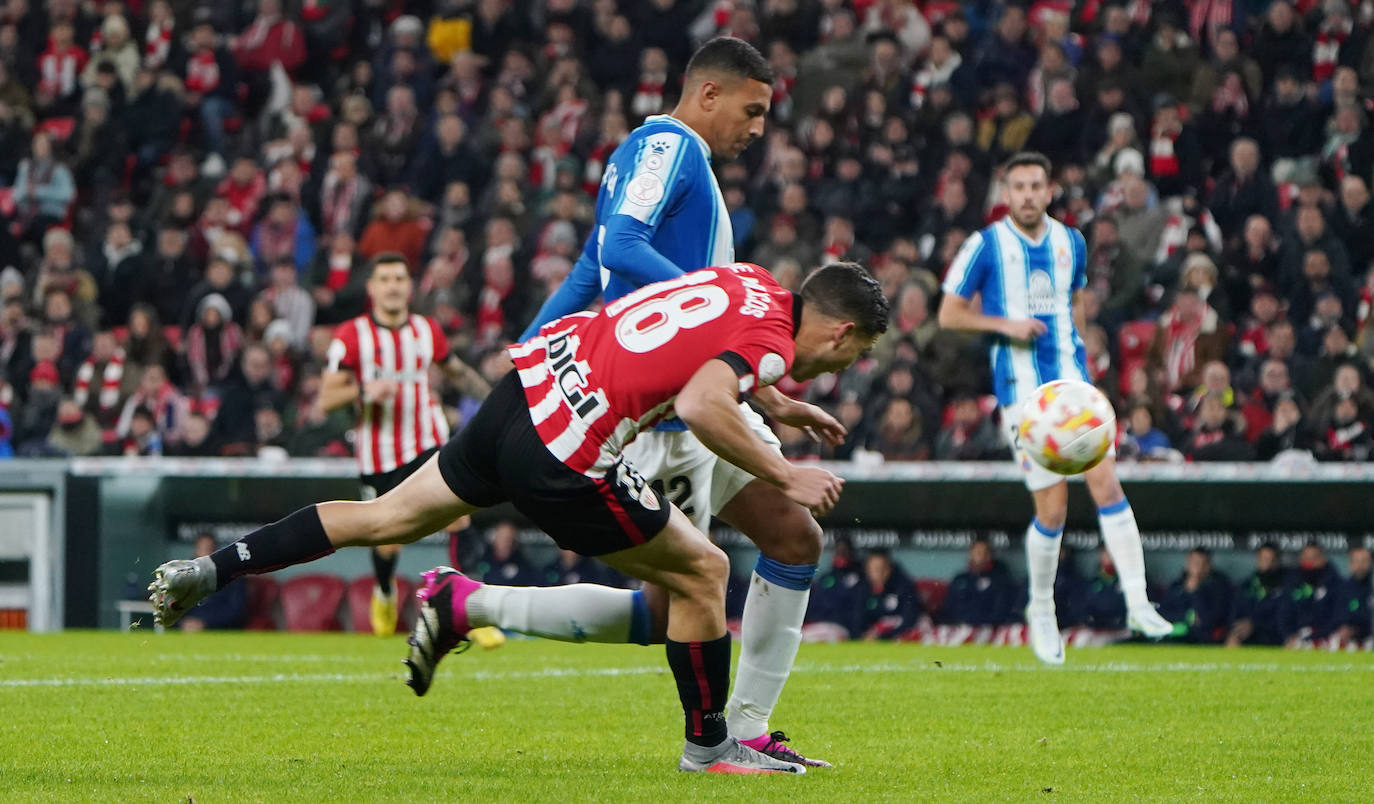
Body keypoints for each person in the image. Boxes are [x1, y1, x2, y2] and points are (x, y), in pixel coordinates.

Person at [149, 260, 886, 776]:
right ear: (840, 332)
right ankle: (710, 749)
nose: (844, 368)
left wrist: (778, 400)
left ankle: (213, 568)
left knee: (384, 518)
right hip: (565, 453)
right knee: (705, 573)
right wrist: (785, 469)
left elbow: (697, 350)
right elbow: (700, 403)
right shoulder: (767, 342)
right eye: (854, 355)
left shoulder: (753, 285)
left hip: (524, 391)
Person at [516, 38, 830, 768]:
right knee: (673, 605)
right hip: (665, 408)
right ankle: (468, 603)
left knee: (793, 537)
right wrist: (714, 304)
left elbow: (595, 265)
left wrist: (524, 356)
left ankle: (747, 728)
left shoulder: (669, 162)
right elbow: (620, 248)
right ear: (708, 93)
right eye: (752, 110)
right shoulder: (667, 147)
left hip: (699, 391)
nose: (758, 128)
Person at [937, 151, 1173, 666]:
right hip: (1024, 399)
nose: (1026, 195)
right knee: (1055, 508)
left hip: (1073, 390)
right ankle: (1040, 609)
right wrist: (1005, 326)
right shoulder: (986, 245)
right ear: (1006, 194)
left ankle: (1137, 601)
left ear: (1049, 192)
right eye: (1017, 186)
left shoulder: (1072, 241)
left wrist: (1088, 363)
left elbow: (1077, 303)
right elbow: (949, 312)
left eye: (1034, 186)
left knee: (1107, 484)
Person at [317, 252, 493, 639]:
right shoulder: (351, 335)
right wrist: (364, 389)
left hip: (428, 438)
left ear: (409, 287)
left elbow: (457, 371)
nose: (394, 286)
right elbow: (326, 398)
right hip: (378, 451)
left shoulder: (428, 330)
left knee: (457, 512)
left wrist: (497, 398)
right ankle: (383, 592)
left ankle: (466, 609)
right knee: (388, 538)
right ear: (372, 288)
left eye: (400, 278)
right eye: (385, 279)